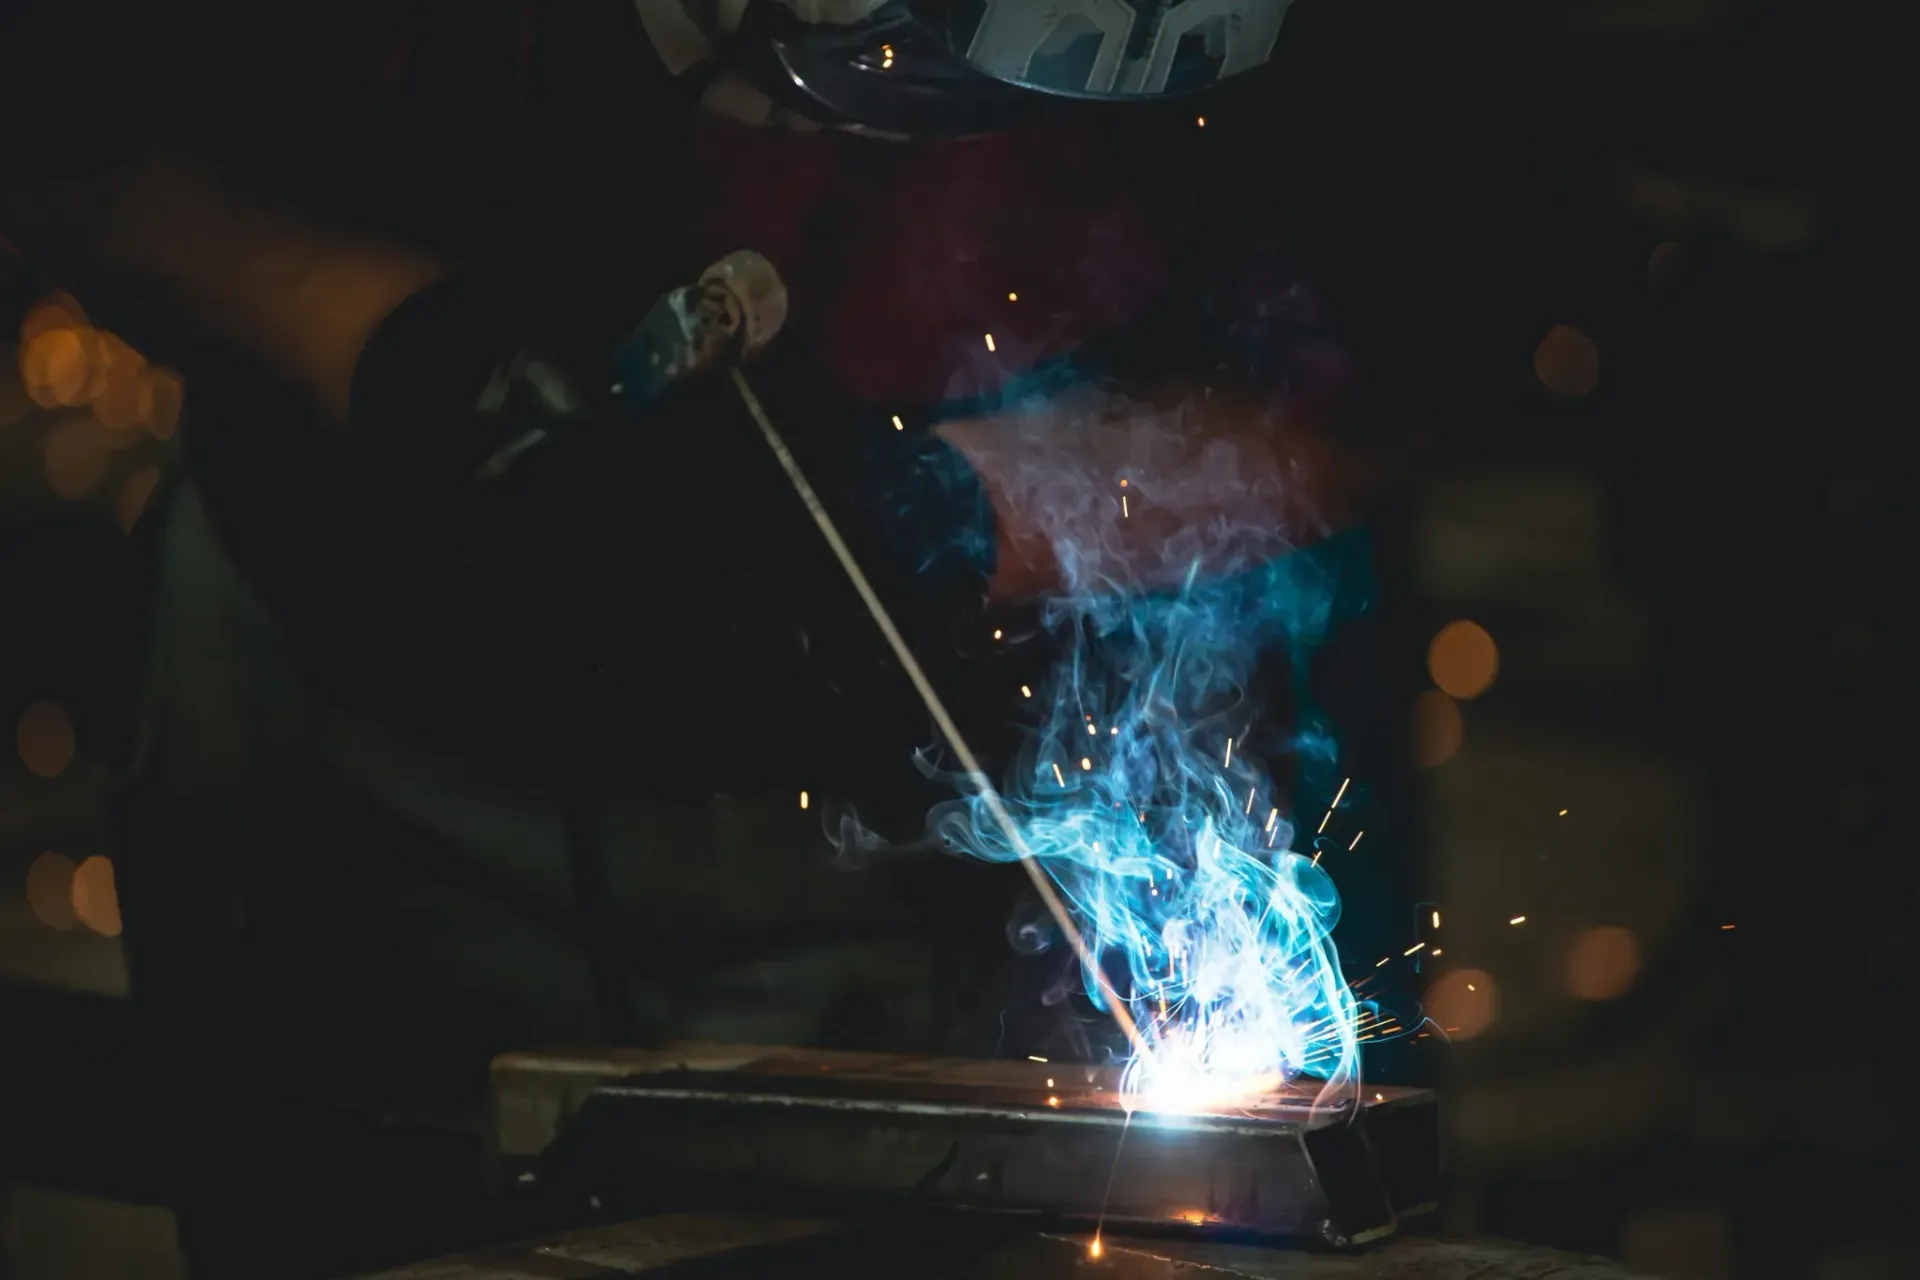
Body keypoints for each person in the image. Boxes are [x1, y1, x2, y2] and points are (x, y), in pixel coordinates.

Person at [3, 3, 1380, 1273]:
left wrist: (952, 514)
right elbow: (73, 155)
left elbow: (1406, 358)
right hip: (337, 708)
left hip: (907, 842)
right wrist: (417, 359)